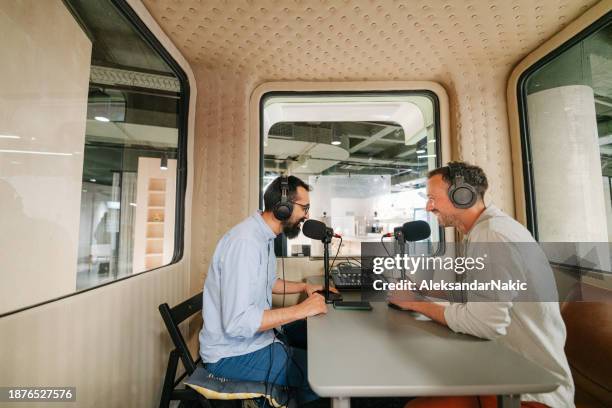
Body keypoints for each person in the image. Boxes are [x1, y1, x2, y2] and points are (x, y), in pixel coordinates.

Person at [389, 162, 575, 408]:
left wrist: (416, 303)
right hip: (502, 375)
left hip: (530, 394)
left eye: (433, 198)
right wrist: (426, 291)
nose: (428, 206)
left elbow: (485, 323)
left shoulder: (493, 236)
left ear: (463, 196)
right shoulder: (484, 230)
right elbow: (483, 295)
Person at [199, 174, 336, 405]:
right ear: (283, 207)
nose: (307, 215)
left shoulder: (262, 237)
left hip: (256, 342)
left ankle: (283, 396)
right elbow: (238, 322)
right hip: (231, 355)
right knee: (323, 374)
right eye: (305, 207)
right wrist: (302, 309)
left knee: (320, 357)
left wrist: (305, 286)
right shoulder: (245, 244)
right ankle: (279, 399)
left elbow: (269, 283)